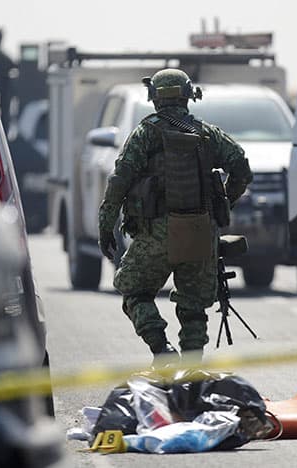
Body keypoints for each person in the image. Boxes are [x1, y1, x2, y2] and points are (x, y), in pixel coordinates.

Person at [98, 68, 252, 367]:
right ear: (188, 96)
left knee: (134, 291)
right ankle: (192, 367)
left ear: (154, 97)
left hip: (156, 232)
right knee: (194, 306)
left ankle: (163, 351)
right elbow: (242, 168)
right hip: (200, 230)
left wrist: (106, 225)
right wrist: (222, 205)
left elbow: (119, 181)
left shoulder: (144, 134)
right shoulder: (208, 134)